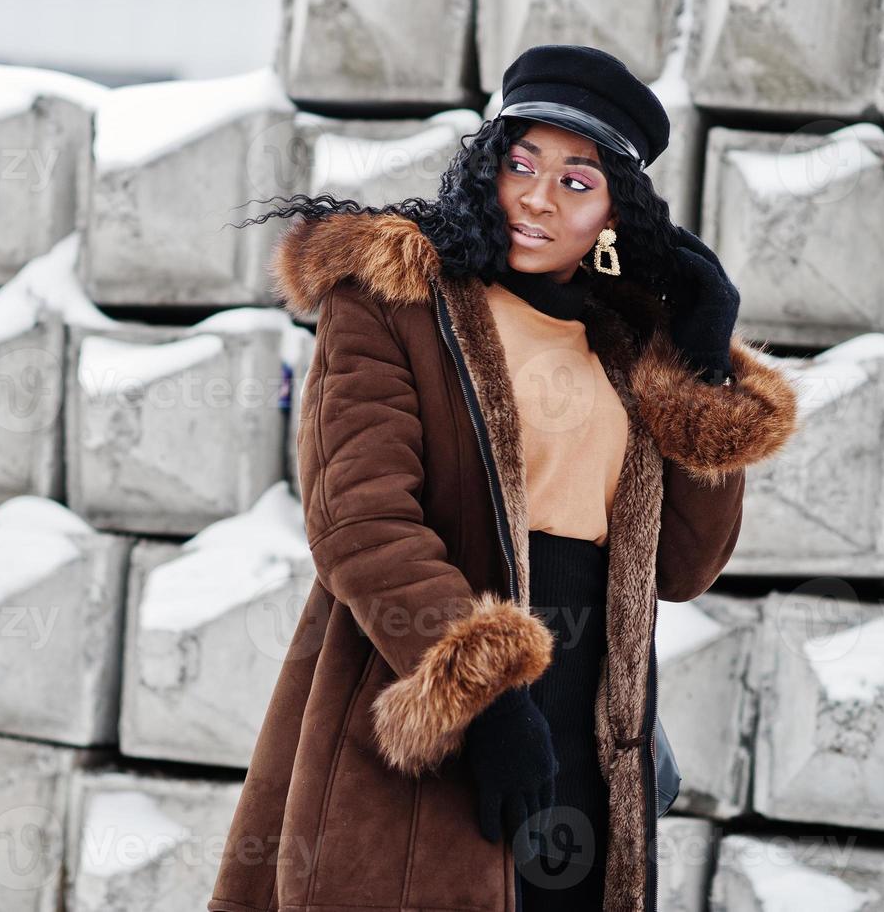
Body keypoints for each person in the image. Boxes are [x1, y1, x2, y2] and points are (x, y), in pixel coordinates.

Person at [208, 44, 799, 912]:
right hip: (426, 689)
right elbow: (360, 523)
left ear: (614, 214)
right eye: (519, 163)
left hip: (586, 722)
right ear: (484, 167)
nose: (535, 197)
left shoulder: (625, 344)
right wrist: (485, 700)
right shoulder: (391, 304)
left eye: (576, 180)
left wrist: (702, 364)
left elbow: (682, 568)